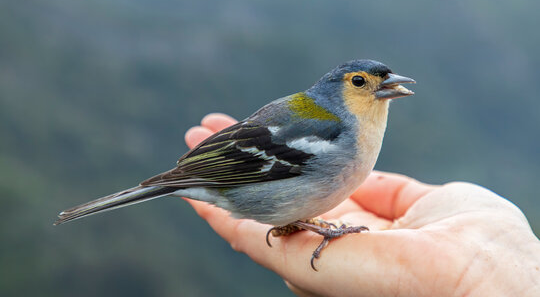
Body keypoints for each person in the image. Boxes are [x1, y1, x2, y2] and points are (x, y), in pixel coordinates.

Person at [184, 113, 540, 297]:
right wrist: (322, 226)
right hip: (237, 181)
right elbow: (252, 160)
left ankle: (302, 223)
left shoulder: (344, 126)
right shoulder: (334, 131)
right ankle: (310, 225)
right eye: (361, 82)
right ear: (339, 89)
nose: (384, 87)